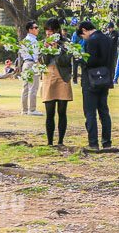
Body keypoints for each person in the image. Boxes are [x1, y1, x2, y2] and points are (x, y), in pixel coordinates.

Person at [78, 21, 116, 150]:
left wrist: (81, 59)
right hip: (104, 78)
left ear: (84, 30)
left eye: (82, 36)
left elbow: (91, 61)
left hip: (91, 80)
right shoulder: (107, 39)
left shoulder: (91, 41)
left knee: (90, 112)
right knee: (104, 111)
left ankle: (93, 142)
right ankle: (107, 141)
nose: (84, 38)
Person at [41, 18, 73, 146]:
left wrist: (57, 50)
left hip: (62, 77)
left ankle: (60, 141)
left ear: (57, 31)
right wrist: (47, 50)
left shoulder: (66, 43)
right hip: (49, 76)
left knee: (62, 111)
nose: (48, 35)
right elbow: (43, 61)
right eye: (47, 33)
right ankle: (49, 142)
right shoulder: (44, 43)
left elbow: (65, 62)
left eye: (51, 32)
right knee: (49, 112)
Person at [19, 21, 43, 116]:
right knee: (33, 87)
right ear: (30, 30)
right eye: (35, 27)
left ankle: (24, 110)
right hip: (32, 63)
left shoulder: (24, 40)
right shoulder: (33, 40)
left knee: (25, 87)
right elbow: (35, 55)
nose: (37, 29)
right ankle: (32, 110)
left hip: (25, 63)